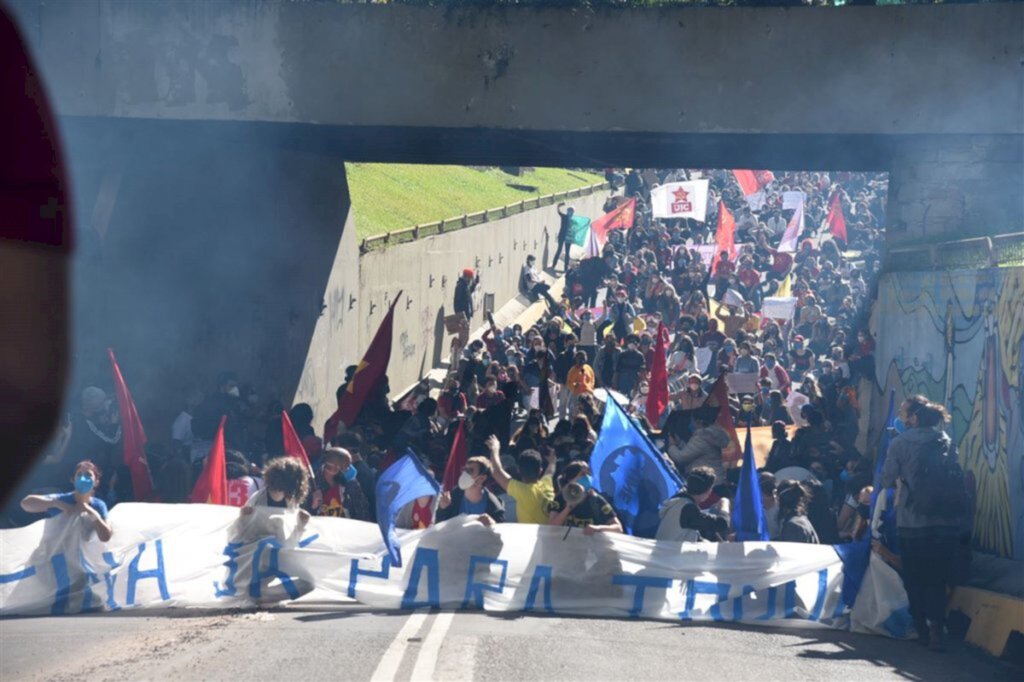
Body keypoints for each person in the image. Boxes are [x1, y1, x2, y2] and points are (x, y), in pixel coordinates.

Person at [880, 400, 964, 652]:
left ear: (914, 419)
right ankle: (937, 628)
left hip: (912, 521)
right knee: (937, 577)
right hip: (945, 522)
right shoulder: (946, 441)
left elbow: (886, 479)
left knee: (914, 577)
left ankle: (922, 629)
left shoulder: (900, 443)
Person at [20, 460, 113, 541]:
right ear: (73, 479)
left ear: (96, 482)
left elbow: (106, 537)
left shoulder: (98, 505)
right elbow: (25, 503)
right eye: (79, 474)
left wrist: (89, 511)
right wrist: (56, 503)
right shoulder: (62, 499)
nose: (83, 478)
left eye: (88, 475)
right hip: (56, 554)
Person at [486, 435, 555, 525]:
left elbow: (496, 472)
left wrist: (495, 449)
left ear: (518, 470)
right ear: (540, 470)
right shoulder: (547, 485)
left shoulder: (521, 490)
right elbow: (550, 471)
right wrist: (553, 460)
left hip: (529, 537)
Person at [547, 461, 622, 535]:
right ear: (570, 479)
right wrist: (568, 508)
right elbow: (551, 527)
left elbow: (618, 528)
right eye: (583, 474)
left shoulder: (596, 500)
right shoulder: (560, 499)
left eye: (588, 473)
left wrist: (598, 528)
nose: (587, 477)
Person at [656, 467, 730, 542]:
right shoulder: (687, 508)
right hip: (671, 553)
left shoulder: (677, 502)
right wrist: (725, 503)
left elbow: (687, 531)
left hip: (666, 550)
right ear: (708, 491)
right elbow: (722, 524)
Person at [242, 456, 311, 526]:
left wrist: (302, 523)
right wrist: (244, 517)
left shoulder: (291, 501)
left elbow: (292, 530)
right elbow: (243, 529)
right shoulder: (256, 500)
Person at [437, 456, 504, 524]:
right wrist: (442, 509)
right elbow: (440, 528)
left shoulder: (494, 507)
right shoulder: (452, 497)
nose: (465, 474)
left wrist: (493, 524)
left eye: (470, 471)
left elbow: (501, 530)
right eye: (464, 470)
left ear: (482, 478)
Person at [311, 447, 370, 520]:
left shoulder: (350, 482)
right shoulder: (313, 483)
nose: (349, 470)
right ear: (332, 468)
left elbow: (362, 510)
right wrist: (313, 505)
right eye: (346, 467)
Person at [453, 267, 479, 350]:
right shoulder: (461, 286)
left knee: (464, 337)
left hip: (466, 315)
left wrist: (475, 283)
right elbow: (457, 302)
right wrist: (460, 316)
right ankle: (457, 352)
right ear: (466, 277)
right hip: (463, 316)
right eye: (470, 278)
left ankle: (457, 351)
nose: (470, 280)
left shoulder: (465, 286)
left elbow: (468, 293)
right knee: (464, 338)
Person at [552, 203, 575, 271]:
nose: (570, 212)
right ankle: (554, 264)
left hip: (567, 237)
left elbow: (575, 230)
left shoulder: (573, 220)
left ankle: (565, 268)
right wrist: (559, 206)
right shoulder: (565, 217)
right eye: (569, 210)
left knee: (567, 252)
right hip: (562, 236)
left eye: (571, 211)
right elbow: (559, 211)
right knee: (559, 250)